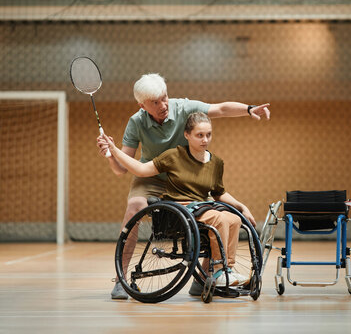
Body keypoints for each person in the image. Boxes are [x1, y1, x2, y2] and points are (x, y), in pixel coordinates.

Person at [96, 73, 270, 299]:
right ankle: (121, 279)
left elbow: (220, 109)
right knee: (134, 208)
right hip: (150, 176)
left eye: (164, 98)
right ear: (142, 105)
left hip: (183, 177)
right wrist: (111, 156)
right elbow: (122, 169)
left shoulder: (183, 107)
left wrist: (249, 109)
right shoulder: (136, 122)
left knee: (219, 215)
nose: (163, 105)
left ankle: (207, 275)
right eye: (155, 103)